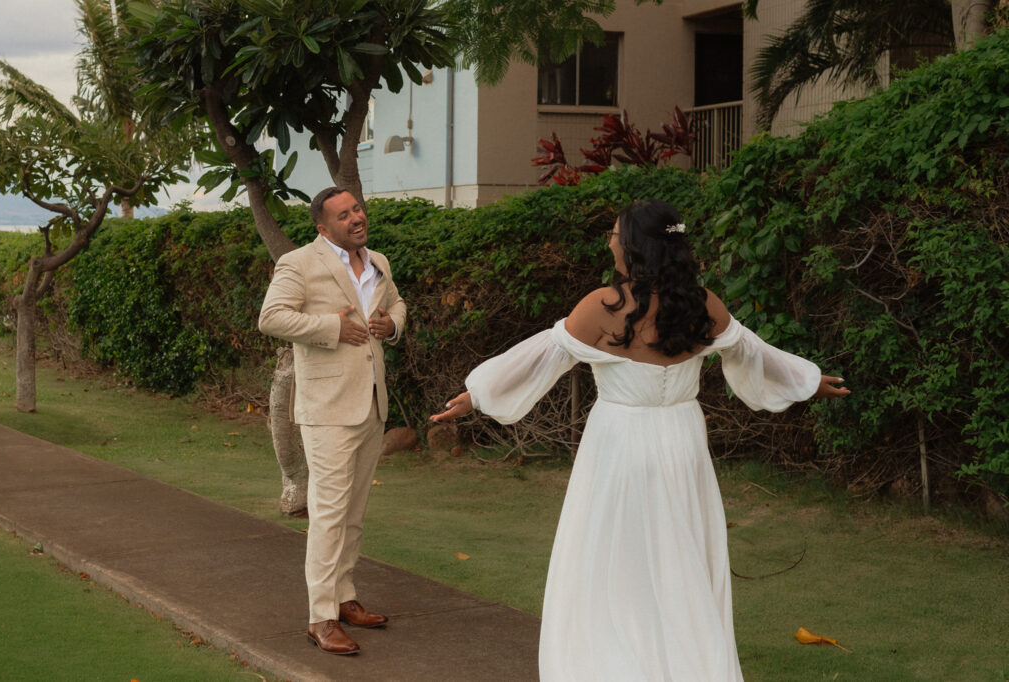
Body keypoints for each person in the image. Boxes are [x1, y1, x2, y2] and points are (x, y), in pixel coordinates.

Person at [431, 199, 849, 680]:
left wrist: (478, 394)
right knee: (681, 555)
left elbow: (541, 357)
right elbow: (752, 351)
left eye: (614, 232)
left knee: (614, 556)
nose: (609, 240)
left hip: (621, 444)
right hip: (682, 441)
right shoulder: (702, 303)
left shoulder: (603, 307)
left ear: (636, 245)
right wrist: (807, 379)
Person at [259, 187, 407, 655]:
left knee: (354, 512)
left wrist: (392, 324)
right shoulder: (299, 263)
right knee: (327, 514)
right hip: (326, 409)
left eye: (357, 209)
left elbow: (397, 304)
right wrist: (331, 328)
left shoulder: (378, 259)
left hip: (371, 403)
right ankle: (320, 617)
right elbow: (271, 317)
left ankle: (345, 598)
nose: (356, 218)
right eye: (343, 216)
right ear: (323, 228)